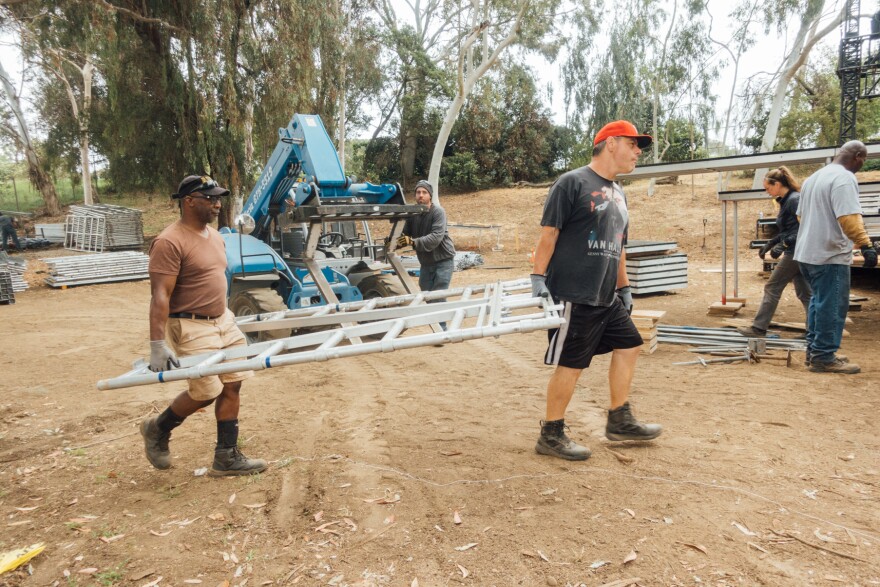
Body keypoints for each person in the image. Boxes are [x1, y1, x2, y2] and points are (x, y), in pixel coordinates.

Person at [530, 120, 662, 461]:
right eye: (633, 145)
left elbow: (619, 246)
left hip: (606, 295)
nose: (637, 152)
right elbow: (549, 234)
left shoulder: (620, 193)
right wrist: (537, 278)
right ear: (611, 143)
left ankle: (619, 419)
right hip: (574, 292)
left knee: (631, 344)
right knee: (572, 364)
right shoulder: (571, 183)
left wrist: (625, 288)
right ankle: (551, 434)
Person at [141, 174, 267, 476]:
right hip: (190, 324)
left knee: (233, 382)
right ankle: (158, 429)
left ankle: (226, 457)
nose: (216, 203)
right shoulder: (169, 241)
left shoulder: (216, 236)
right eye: (209, 198)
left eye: (218, 198)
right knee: (205, 391)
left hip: (223, 319)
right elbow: (160, 295)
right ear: (189, 201)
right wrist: (157, 345)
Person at [793, 141, 877, 375]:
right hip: (830, 254)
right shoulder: (844, 178)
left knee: (817, 303)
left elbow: (800, 217)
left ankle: (815, 352)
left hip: (807, 253)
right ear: (858, 156)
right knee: (832, 305)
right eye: (864, 160)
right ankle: (824, 357)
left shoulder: (813, 178)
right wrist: (866, 245)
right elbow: (849, 218)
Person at [737, 167, 811, 338]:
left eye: (768, 188)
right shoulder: (786, 200)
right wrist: (770, 243)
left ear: (777, 184)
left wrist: (784, 244)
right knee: (805, 293)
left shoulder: (794, 200)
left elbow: (803, 228)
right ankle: (813, 332)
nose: (767, 191)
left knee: (772, 287)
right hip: (798, 252)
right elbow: (788, 229)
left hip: (796, 252)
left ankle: (759, 328)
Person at [397, 180, 456, 324]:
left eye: (424, 193)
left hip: (443, 260)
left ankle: (441, 331)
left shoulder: (438, 212)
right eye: (418, 192)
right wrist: (392, 243)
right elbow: (404, 235)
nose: (421, 195)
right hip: (426, 262)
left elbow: (435, 237)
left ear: (430, 195)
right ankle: (437, 326)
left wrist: (413, 242)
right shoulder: (413, 215)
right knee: (426, 294)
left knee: (438, 295)